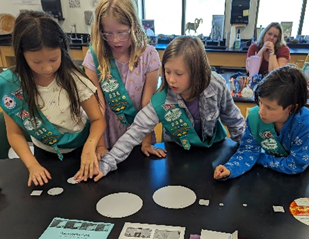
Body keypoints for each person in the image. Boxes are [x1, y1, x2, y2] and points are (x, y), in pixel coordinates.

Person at [76, 36, 246, 182]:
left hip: (213, 151)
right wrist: (107, 164)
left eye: (179, 74)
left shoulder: (216, 85)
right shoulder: (162, 99)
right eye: (167, 71)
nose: (171, 80)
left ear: (197, 73)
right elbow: (135, 132)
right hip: (177, 155)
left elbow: (233, 119)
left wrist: (248, 150)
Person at [0, 11, 106, 187]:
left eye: (53, 59)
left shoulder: (75, 79)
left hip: (82, 149)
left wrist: (90, 147)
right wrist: (32, 165)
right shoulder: (12, 86)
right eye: (37, 62)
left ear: (62, 48)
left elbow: (97, 119)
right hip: (43, 154)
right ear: (21, 54)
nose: (47, 68)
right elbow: (14, 133)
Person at [214, 65, 309, 180]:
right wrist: (231, 168)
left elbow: (296, 165)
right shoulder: (256, 117)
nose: (261, 111)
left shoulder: (306, 125)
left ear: (291, 108)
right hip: (276, 170)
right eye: (260, 102)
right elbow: (248, 150)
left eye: (270, 107)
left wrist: (259, 157)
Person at [84, 0, 162, 158]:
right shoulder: (94, 58)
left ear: (134, 27)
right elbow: (97, 106)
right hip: (107, 136)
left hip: (140, 134)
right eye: (108, 34)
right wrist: (100, 146)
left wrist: (146, 142)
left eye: (121, 32)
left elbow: (148, 105)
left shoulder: (149, 55)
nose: (115, 40)